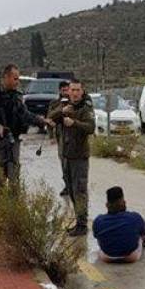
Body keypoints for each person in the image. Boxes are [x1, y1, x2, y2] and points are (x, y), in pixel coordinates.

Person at [0, 63, 52, 185]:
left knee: (14, 177)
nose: (17, 82)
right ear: (6, 77)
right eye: (15, 79)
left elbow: (25, 114)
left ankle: (15, 197)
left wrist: (41, 121)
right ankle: (1, 198)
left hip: (13, 139)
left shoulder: (17, 95)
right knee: (0, 177)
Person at [48, 78, 96, 237]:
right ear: (68, 91)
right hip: (66, 154)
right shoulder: (65, 105)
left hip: (79, 156)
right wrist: (62, 111)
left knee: (79, 190)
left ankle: (82, 224)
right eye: (72, 90)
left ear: (82, 91)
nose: (74, 93)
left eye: (77, 90)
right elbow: (50, 117)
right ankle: (78, 221)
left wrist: (74, 123)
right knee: (71, 190)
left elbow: (91, 127)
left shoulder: (85, 107)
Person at [92, 186, 145, 262]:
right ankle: (144, 240)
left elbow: (96, 236)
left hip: (106, 256)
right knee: (141, 232)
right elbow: (143, 233)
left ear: (107, 205)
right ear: (124, 202)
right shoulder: (135, 217)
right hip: (131, 256)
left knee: (100, 235)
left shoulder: (98, 220)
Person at [55, 80, 71, 196]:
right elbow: (50, 116)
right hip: (61, 136)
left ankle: (74, 186)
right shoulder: (55, 103)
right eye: (63, 90)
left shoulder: (74, 102)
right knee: (63, 163)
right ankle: (67, 185)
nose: (65, 92)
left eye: (67, 90)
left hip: (73, 136)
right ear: (60, 91)